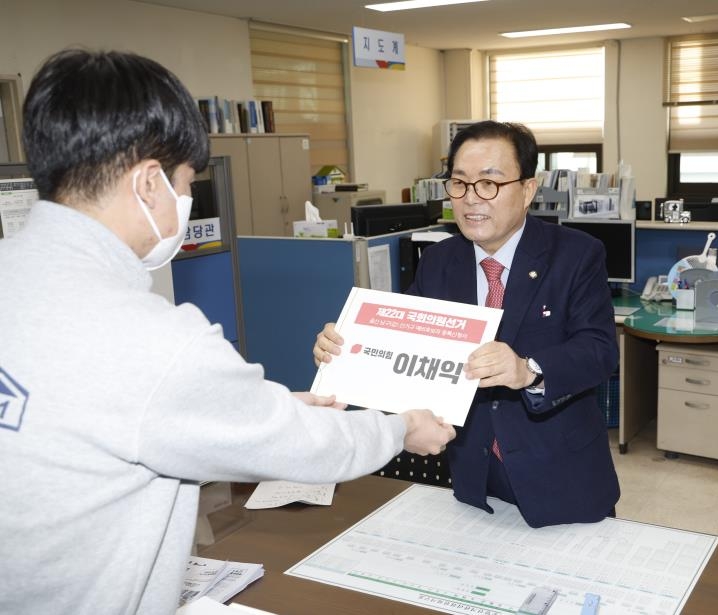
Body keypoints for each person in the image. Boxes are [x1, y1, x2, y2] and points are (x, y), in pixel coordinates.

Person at [0, 49, 455, 615]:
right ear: (148, 183)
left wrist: (251, 407)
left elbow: (91, 409)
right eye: (187, 182)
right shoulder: (149, 338)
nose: (187, 201)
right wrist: (398, 427)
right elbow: (303, 448)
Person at [315, 120, 620, 528]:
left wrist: (529, 370)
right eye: (459, 183)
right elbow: (400, 343)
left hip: (561, 474)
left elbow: (599, 351)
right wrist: (344, 348)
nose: (472, 199)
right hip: (474, 473)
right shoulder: (441, 261)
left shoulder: (576, 255)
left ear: (527, 189)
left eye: (489, 183)